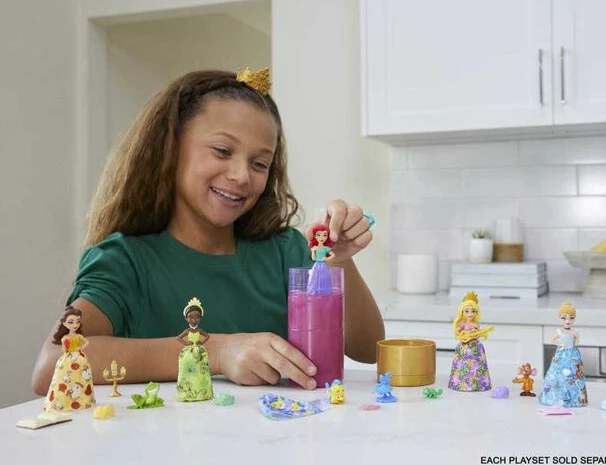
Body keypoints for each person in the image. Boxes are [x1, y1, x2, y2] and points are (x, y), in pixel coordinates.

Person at [32, 68, 384, 394]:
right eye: (222, 151)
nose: (241, 176)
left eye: (259, 163)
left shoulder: (285, 251)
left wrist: (339, 260)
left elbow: (368, 349)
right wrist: (213, 351)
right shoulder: (123, 261)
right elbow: (52, 365)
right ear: (171, 148)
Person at [43, 306, 96, 412]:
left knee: (81, 377)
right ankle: (63, 401)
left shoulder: (78, 336)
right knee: (65, 376)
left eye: (78, 322)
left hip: (80, 358)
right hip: (68, 358)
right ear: (64, 323)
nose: (75, 325)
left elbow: (86, 342)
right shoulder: (65, 338)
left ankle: (83, 400)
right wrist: (68, 347)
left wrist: (79, 348)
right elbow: (64, 350)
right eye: (71, 322)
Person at [539, 301, 588, 407]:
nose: (567, 321)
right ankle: (555, 398)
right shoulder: (559, 331)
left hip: (572, 354)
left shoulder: (574, 332)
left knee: (574, 373)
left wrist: (576, 337)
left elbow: (576, 343)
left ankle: (575, 399)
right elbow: (553, 340)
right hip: (561, 354)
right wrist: (560, 344)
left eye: (571, 318)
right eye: (564, 318)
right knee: (557, 373)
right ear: (559, 318)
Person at [448, 291, 494, 391]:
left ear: (476, 312)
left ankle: (478, 383)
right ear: (462, 312)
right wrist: (461, 333)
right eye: (467, 311)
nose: (470, 314)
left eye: (473, 311)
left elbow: (478, 333)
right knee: (462, 364)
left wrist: (477, 332)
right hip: (464, 346)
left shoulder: (475, 324)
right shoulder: (462, 324)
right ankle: (459, 383)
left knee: (477, 365)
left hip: (475, 347)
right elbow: (458, 331)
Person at [176, 297, 213, 401]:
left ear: (200, 318)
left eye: (197, 317)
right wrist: (186, 343)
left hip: (199, 351)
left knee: (201, 369)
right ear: (186, 318)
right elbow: (178, 338)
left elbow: (207, 336)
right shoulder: (187, 331)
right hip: (189, 351)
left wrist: (201, 342)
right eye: (191, 317)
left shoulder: (199, 330)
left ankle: (202, 391)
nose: (194, 320)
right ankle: (186, 392)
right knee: (186, 367)